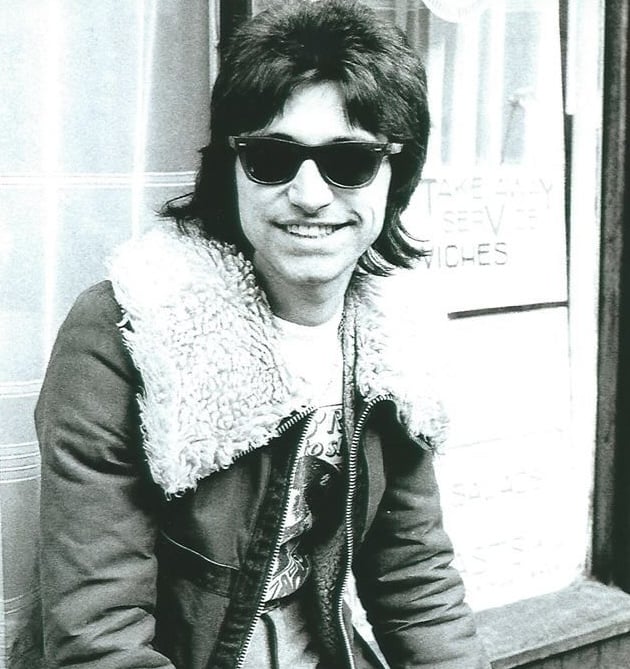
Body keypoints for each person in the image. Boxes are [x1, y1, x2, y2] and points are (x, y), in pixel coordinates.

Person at [36, 1, 490, 667]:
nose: (309, 194)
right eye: (272, 157)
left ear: (397, 177)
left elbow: (415, 581)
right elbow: (99, 636)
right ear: (231, 168)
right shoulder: (129, 329)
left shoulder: (395, 344)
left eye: (350, 162)